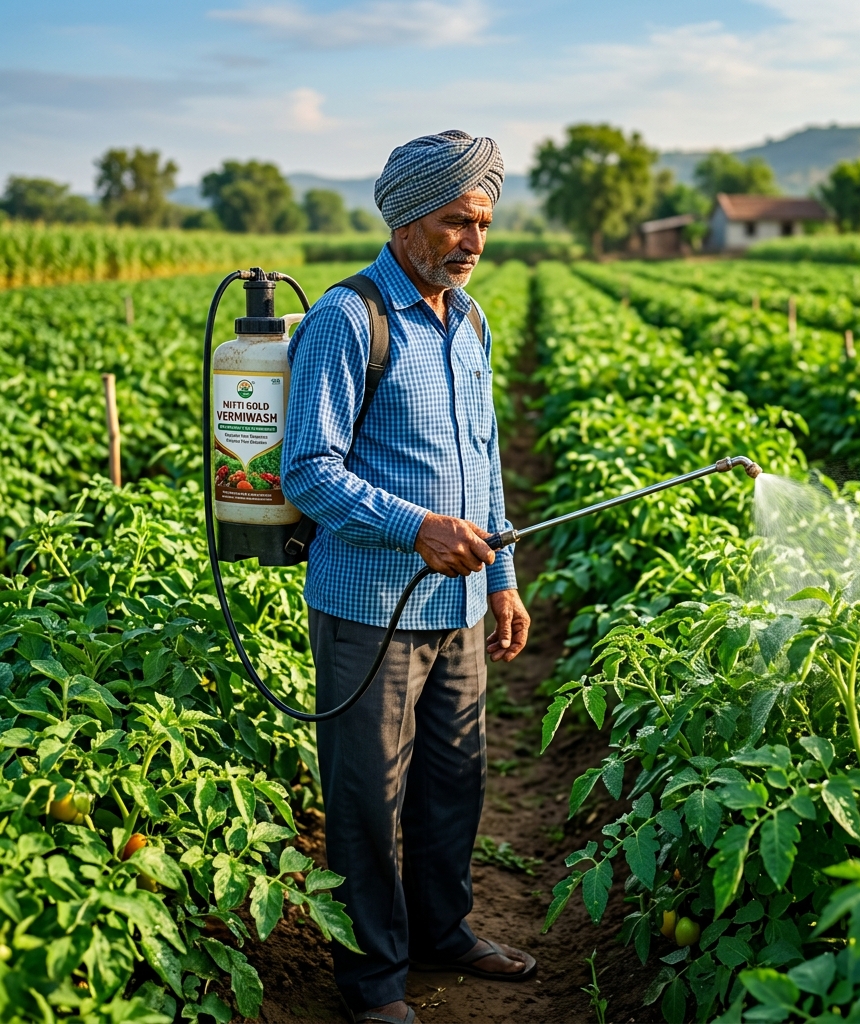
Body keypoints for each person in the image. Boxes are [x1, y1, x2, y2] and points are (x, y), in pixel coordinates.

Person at [280, 130, 534, 1024]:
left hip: (460, 604)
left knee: (452, 784)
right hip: (367, 606)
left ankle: (446, 931)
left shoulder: (471, 321)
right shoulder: (349, 320)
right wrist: (415, 527)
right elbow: (306, 470)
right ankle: (374, 979)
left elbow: (486, 458)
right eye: (456, 221)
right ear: (405, 219)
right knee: (366, 799)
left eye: (484, 223)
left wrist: (501, 575)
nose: (472, 240)